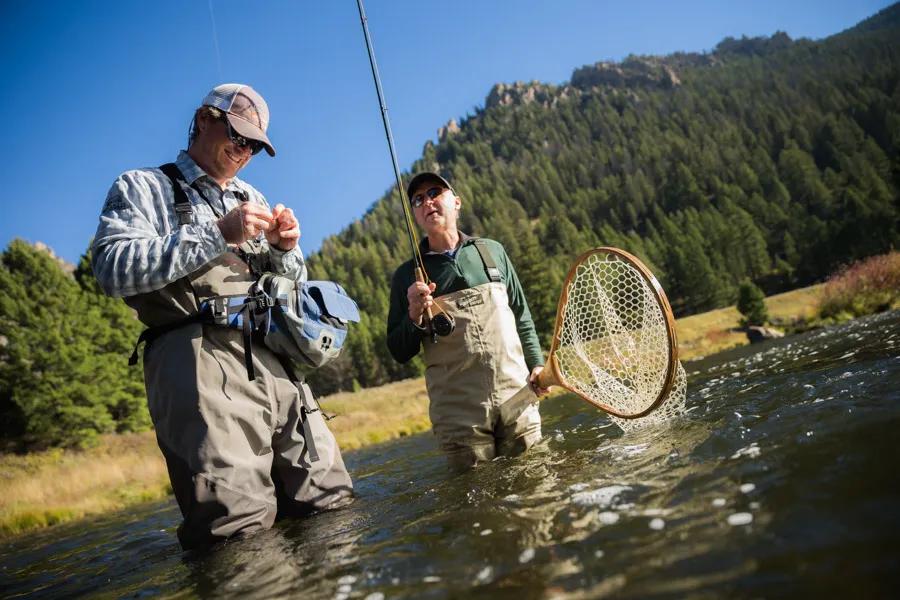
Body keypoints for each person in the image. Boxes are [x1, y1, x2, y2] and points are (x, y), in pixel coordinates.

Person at [92, 83, 353, 550]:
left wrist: (285, 252)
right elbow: (111, 269)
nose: (244, 149)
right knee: (239, 531)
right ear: (204, 119)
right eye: (238, 134)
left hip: (277, 368)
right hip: (200, 369)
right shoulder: (142, 186)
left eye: (255, 144)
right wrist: (215, 235)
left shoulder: (251, 192)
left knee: (330, 502)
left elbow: (285, 282)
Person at [387, 172, 549, 470]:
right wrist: (414, 315)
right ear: (416, 215)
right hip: (459, 419)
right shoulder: (405, 277)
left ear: (456, 202)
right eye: (418, 199)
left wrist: (536, 362)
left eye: (435, 192)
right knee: (477, 509)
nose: (427, 202)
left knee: (538, 486)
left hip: (518, 399)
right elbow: (398, 350)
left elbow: (521, 314)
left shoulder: (493, 251)